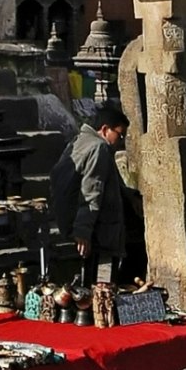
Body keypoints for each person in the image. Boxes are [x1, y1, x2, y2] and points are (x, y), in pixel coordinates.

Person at [63, 97, 140, 286]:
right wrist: (83, 230)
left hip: (91, 225)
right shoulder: (99, 148)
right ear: (105, 129)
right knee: (101, 285)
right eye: (120, 135)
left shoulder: (80, 141)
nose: (120, 142)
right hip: (100, 231)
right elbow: (91, 190)